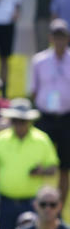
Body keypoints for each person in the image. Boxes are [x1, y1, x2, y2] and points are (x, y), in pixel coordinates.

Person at [0, 98, 58, 229]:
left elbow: (53, 168)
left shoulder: (42, 139)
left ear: (29, 121)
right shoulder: (1, 139)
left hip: (32, 203)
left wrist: (41, 171)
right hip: (6, 202)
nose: (19, 124)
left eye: (22, 121)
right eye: (15, 120)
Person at [29, 19, 70, 201]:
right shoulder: (39, 61)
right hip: (45, 116)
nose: (59, 40)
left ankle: (58, 206)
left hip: (66, 117)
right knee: (41, 162)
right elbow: (33, 90)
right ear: (50, 38)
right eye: (56, 36)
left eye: (63, 37)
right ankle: (42, 202)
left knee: (64, 166)